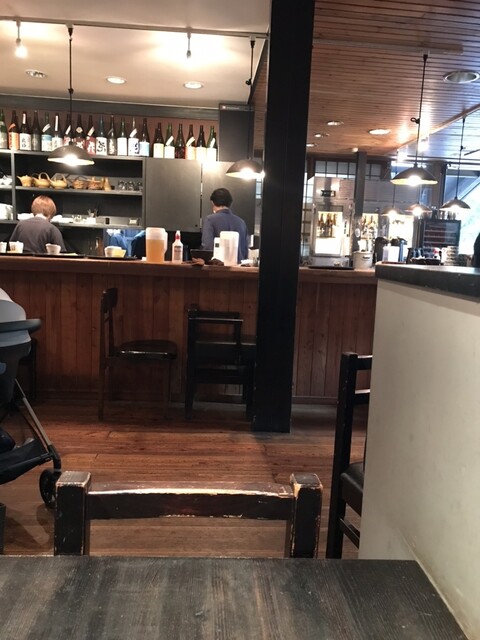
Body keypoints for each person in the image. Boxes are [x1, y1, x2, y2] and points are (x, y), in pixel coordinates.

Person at [201, 188, 249, 262]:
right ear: (230, 203)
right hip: (239, 267)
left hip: (217, 267)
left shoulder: (210, 220)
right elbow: (245, 251)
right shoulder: (241, 222)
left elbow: (207, 247)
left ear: (212, 203)